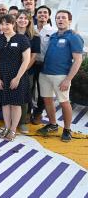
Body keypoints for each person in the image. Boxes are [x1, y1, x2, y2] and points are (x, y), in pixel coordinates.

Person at [37, 10, 84, 142]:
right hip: (45, 73)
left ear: (69, 20)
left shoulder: (74, 37)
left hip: (61, 76)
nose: (60, 20)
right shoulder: (53, 36)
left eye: (63, 18)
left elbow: (78, 60)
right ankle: (53, 124)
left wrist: (68, 79)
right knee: (47, 100)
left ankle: (67, 129)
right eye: (58, 18)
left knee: (64, 103)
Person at [0, 14, 31, 142]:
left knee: (15, 103)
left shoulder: (22, 39)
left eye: (7, 24)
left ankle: (13, 129)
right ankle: (7, 127)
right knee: (5, 103)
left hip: (17, 76)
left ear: (13, 24)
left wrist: (18, 78)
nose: (4, 26)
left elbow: (26, 60)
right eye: (2, 24)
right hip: (2, 76)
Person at [15, 10, 40, 134]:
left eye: (25, 18)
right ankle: (11, 121)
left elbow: (34, 56)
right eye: (20, 17)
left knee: (24, 96)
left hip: (27, 72)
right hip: (10, 71)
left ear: (29, 20)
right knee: (11, 95)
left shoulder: (34, 37)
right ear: (16, 19)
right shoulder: (10, 34)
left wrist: (23, 70)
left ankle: (23, 122)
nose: (22, 20)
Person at [31, 5, 56, 124]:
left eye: (45, 13)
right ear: (36, 15)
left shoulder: (53, 32)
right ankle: (27, 112)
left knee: (42, 91)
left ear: (49, 16)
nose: (42, 14)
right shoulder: (31, 29)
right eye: (40, 12)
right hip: (31, 63)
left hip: (44, 65)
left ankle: (38, 113)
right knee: (29, 88)